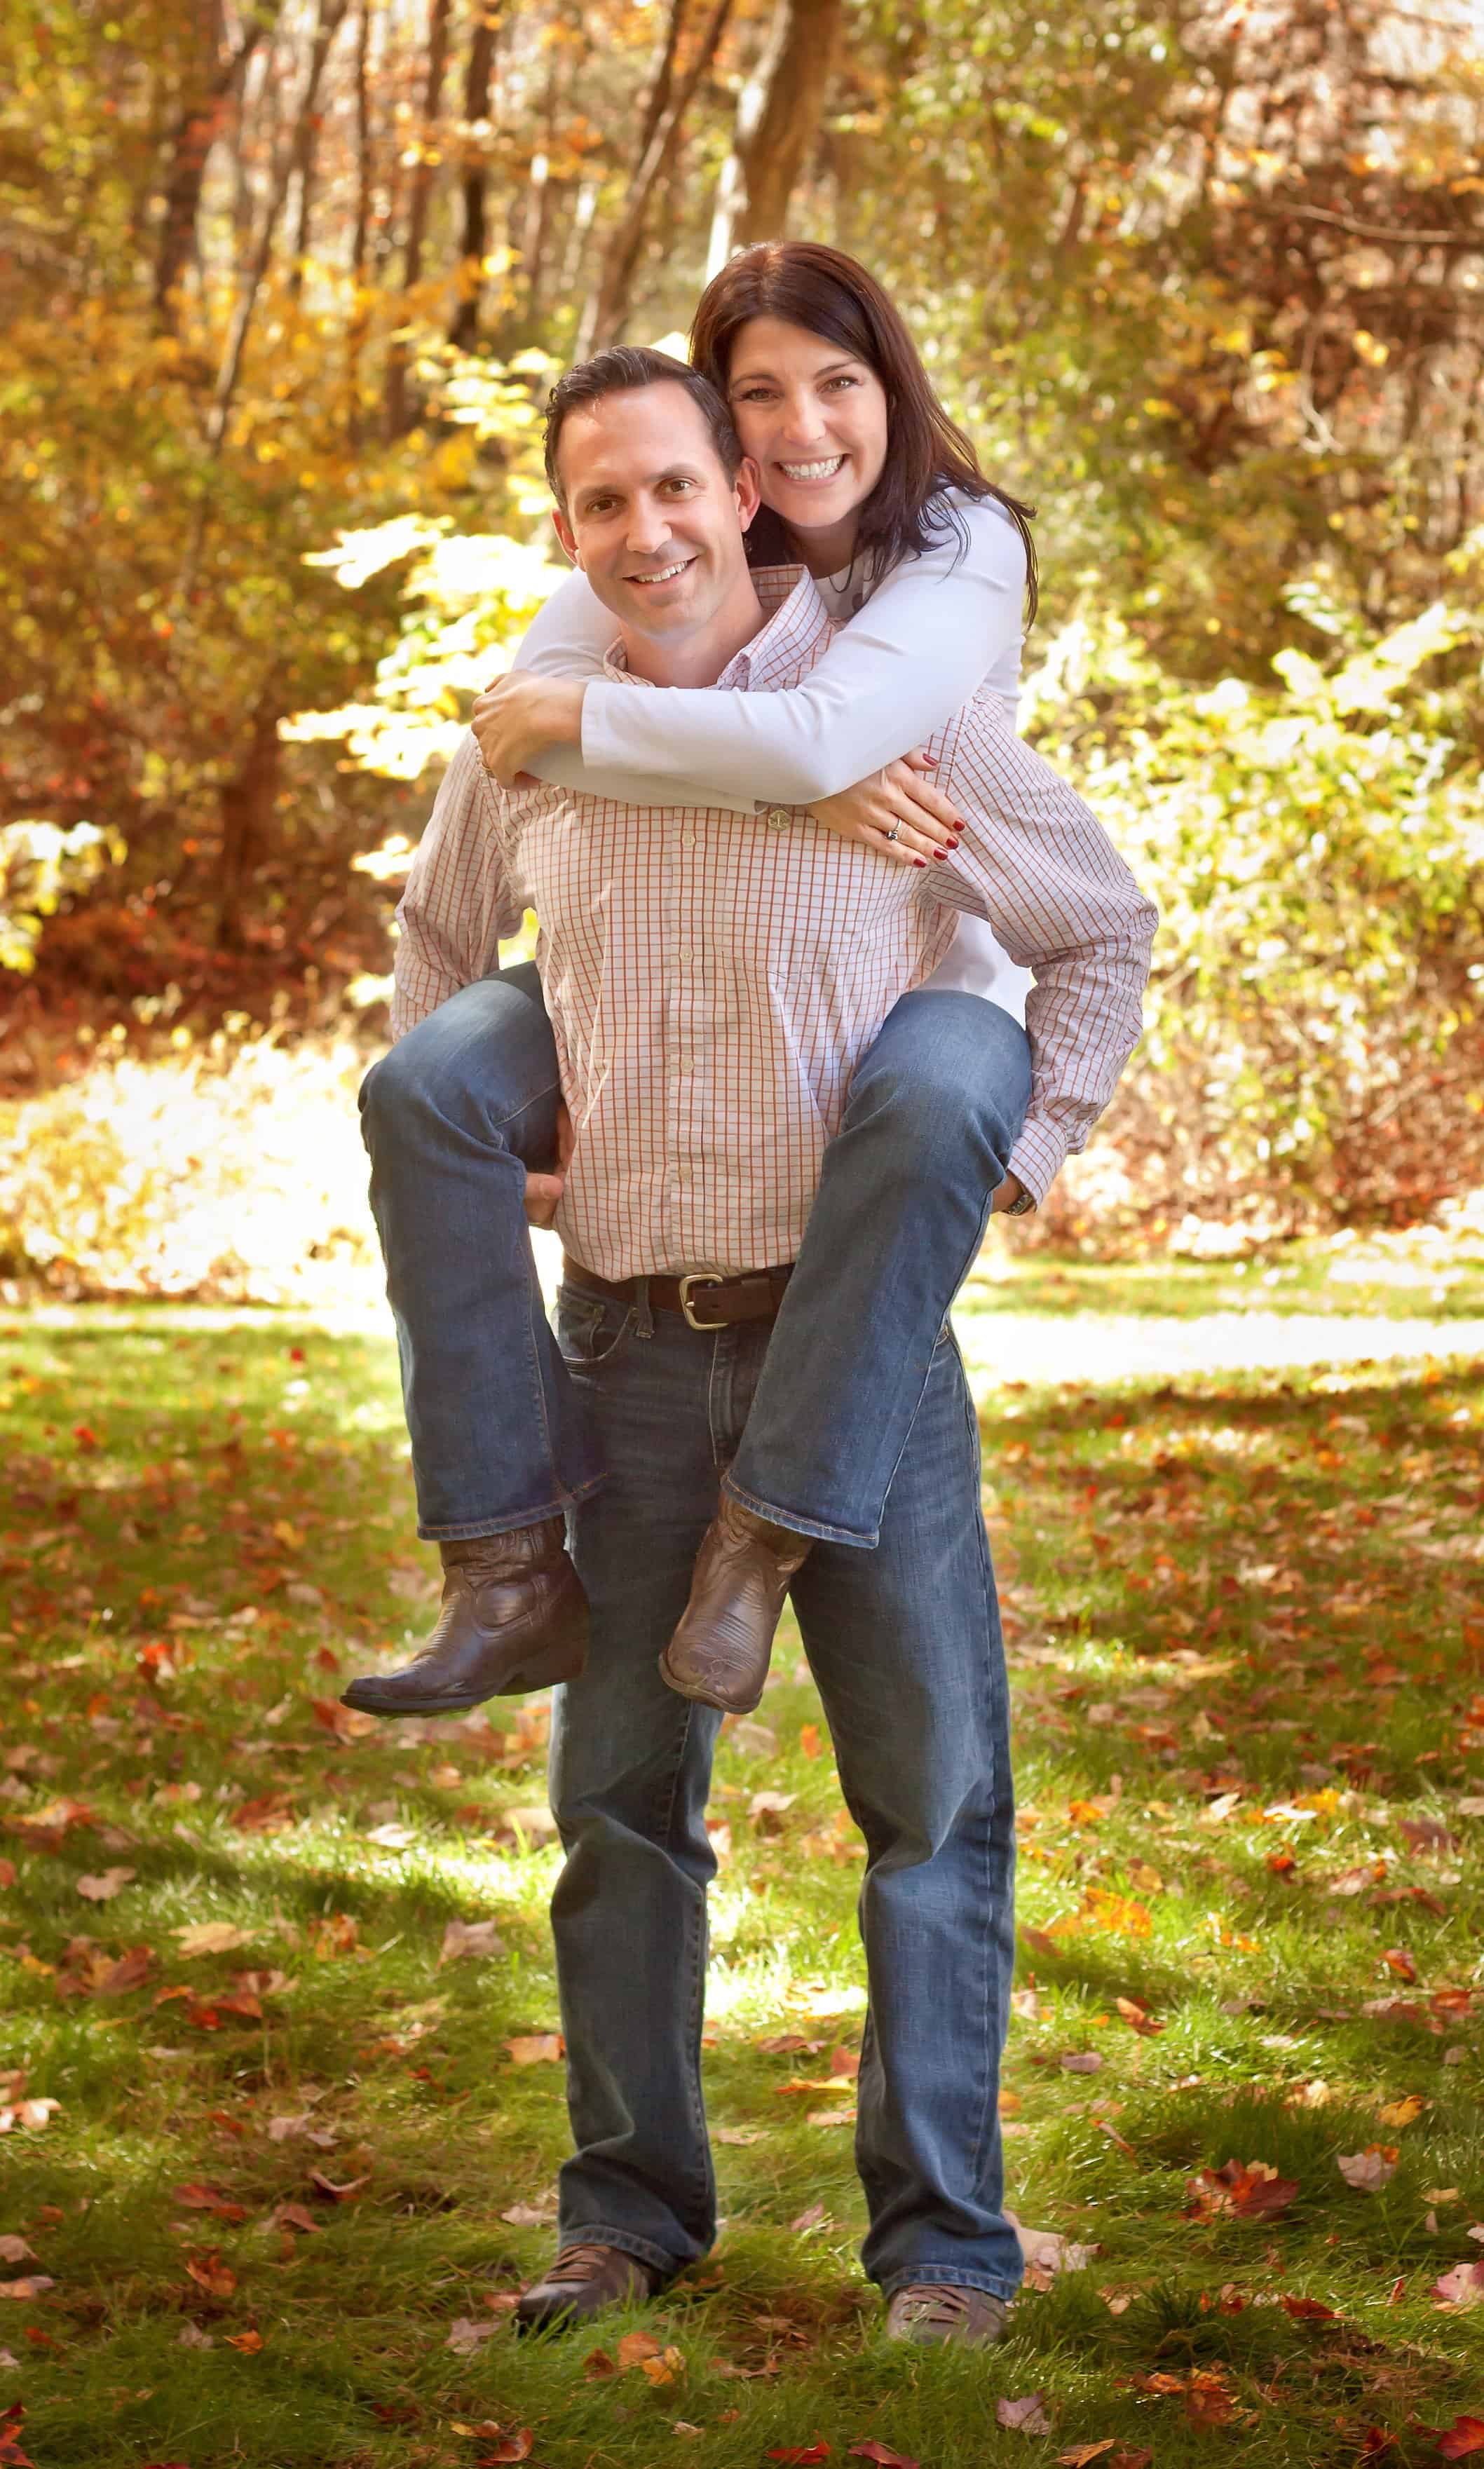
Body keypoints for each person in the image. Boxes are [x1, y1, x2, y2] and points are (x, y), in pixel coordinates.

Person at [374, 344, 1156, 2342]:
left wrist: (1031, 1147)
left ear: (740, 490)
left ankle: (941, 2250)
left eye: (669, 488)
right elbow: (439, 953)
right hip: (629, 1344)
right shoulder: (525, 739)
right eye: (596, 504)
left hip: (855, 1359)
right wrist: (506, 1130)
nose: (641, 531)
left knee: (929, 1809)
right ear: (568, 534)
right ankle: (624, 2215)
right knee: (618, 1812)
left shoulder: (885, 726)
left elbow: (1098, 922)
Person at [344, 242, 1130, 1725]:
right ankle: (503, 1566)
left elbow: (841, 739)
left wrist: (1034, 1145)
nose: (800, 421)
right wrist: (514, 1145)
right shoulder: (646, 559)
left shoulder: (956, 548)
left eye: (836, 382)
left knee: (949, 1080)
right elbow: (533, 738)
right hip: (647, 1035)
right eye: (758, 391)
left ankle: (769, 1528)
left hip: (913, 988)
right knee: (429, 1084)